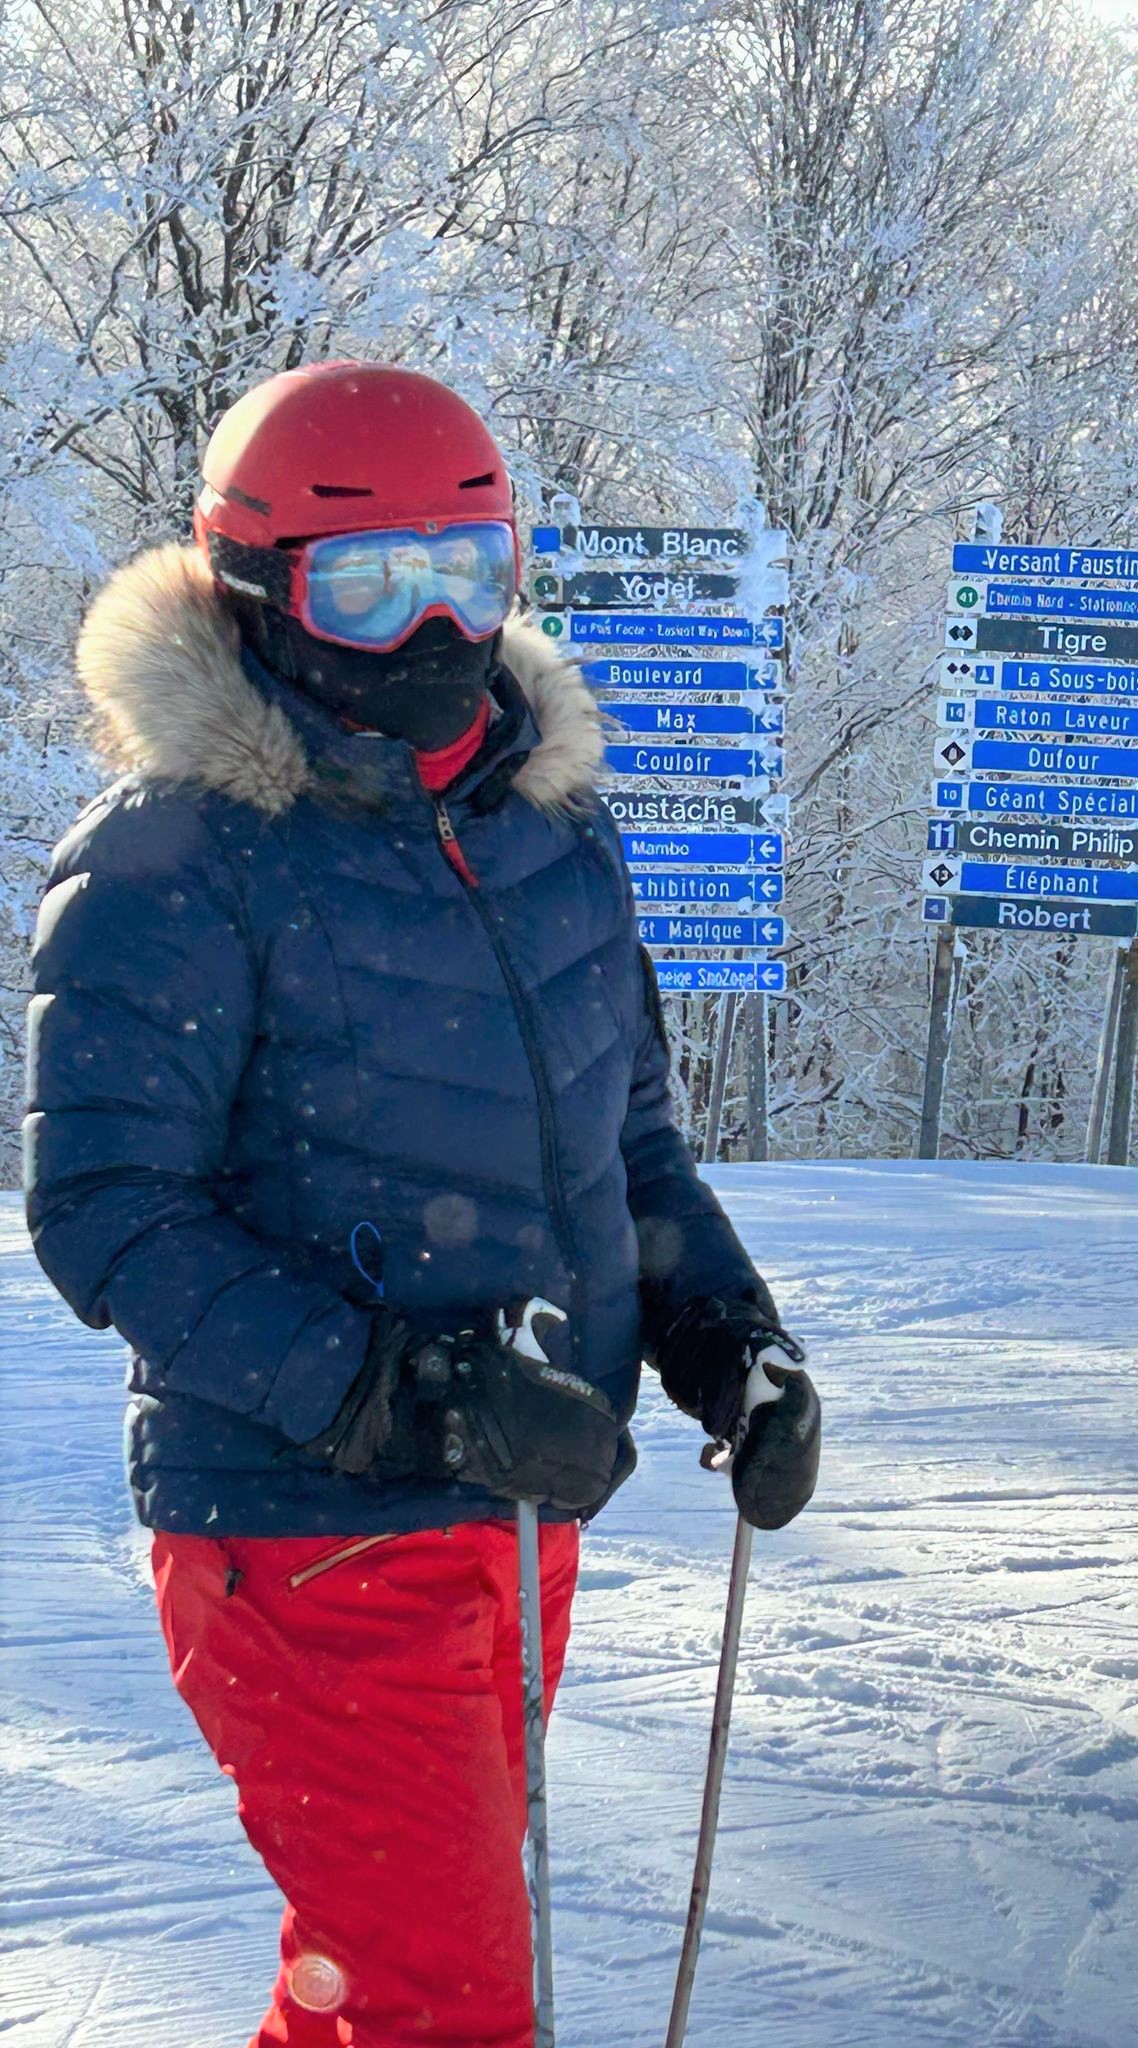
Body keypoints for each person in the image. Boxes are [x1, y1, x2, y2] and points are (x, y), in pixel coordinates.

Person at [24, 360, 821, 2048]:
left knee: (380, 1976)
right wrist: (404, 1390)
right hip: (302, 1526)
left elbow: (632, 1147)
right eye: (367, 589)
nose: (430, 635)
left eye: (469, 576)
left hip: (520, 1508)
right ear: (253, 590)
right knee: (449, 2001)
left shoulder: (551, 830)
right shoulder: (177, 855)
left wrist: (721, 1336)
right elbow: (108, 1209)